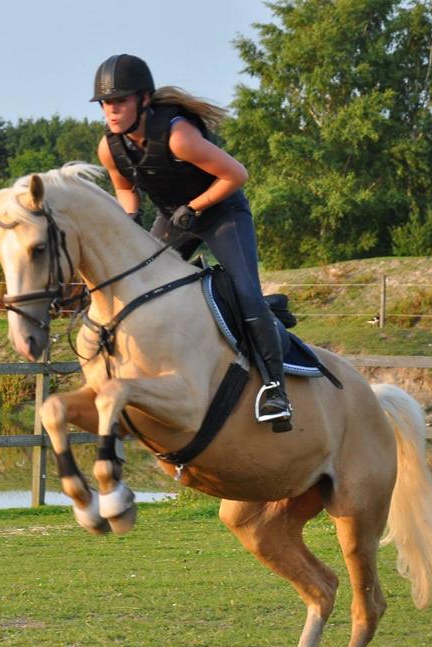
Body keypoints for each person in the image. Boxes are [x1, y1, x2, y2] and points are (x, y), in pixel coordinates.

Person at [92, 53, 292, 428]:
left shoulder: (179, 136)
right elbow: (125, 188)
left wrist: (195, 207)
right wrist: (131, 221)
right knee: (137, 285)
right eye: (106, 103)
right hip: (174, 217)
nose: (111, 110)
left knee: (247, 293)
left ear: (144, 100)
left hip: (222, 212)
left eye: (120, 101)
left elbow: (236, 174)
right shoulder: (110, 147)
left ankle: (276, 390)